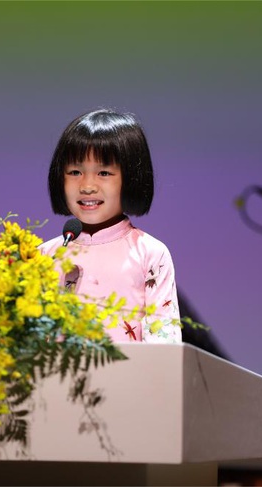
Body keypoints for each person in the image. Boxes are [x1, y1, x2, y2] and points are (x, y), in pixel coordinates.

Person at [39, 108, 181, 344]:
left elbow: (165, 344)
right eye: (75, 172)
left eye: (104, 172)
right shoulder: (43, 256)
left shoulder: (150, 253)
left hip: (130, 380)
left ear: (131, 179)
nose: (87, 186)